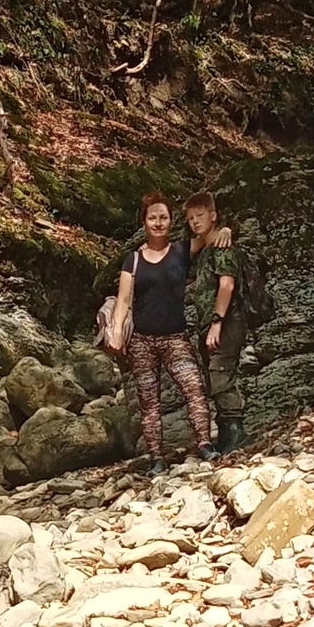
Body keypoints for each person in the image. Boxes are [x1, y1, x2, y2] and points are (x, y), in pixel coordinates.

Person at [110, 194, 214, 471]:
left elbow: (210, 236)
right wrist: (117, 332)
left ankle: (204, 444)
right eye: (153, 217)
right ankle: (157, 458)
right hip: (141, 341)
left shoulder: (182, 250)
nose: (158, 223)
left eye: (163, 217)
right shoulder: (132, 260)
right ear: (144, 221)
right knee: (149, 402)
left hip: (175, 337)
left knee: (194, 389)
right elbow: (123, 300)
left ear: (170, 221)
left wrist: (225, 229)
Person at [181, 190, 247, 455]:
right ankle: (225, 430)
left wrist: (217, 321)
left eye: (200, 216)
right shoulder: (204, 247)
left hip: (227, 321)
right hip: (209, 324)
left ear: (213, 215)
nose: (195, 222)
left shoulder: (222, 246)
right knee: (212, 376)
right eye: (190, 218)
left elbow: (227, 284)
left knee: (220, 373)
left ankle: (235, 431)